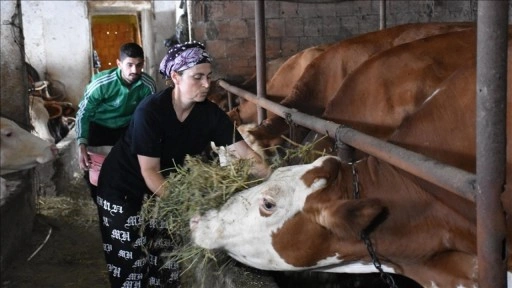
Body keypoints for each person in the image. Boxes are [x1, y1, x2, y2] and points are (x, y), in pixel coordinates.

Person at [95, 41, 269, 287]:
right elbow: (150, 171)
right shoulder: (151, 112)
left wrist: (275, 181)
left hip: (168, 191)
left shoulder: (210, 115)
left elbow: (248, 156)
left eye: (209, 76)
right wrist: (187, 210)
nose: (207, 84)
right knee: (132, 268)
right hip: (125, 189)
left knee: (166, 266)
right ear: (175, 76)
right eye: (197, 77)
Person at [76, 42, 156, 201]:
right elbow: (83, 113)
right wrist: (81, 144)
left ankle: (123, 201)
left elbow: (150, 116)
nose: (135, 70)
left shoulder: (147, 85)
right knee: (95, 172)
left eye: (139, 65)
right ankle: (99, 201)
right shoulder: (101, 83)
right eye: (130, 65)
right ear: (119, 64)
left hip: (126, 129)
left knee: (126, 168)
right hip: (98, 128)